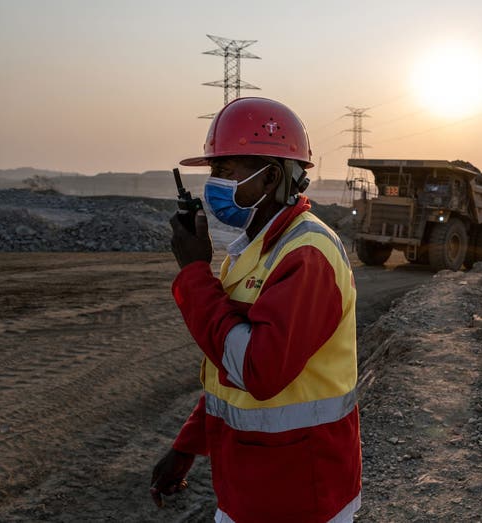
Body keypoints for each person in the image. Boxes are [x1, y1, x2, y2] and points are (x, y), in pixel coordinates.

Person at [152, 97, 361, 522]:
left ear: (271, 178)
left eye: (227, 171)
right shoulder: (252, 249)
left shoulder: (307, 254)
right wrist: (188, 445)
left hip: (299, 494)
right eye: (213, 171)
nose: (214, 183)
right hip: (251, 487)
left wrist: (194, 273)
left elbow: (256, 371)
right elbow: (226, 366)